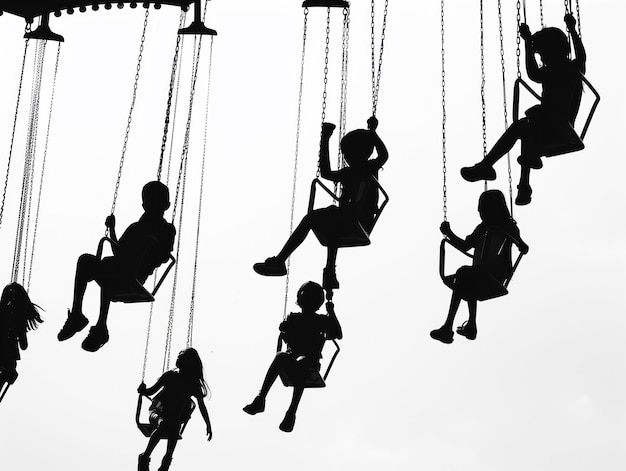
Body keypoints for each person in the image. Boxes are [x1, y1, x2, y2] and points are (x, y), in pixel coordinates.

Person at [461, 14, 586, 205]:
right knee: (525, 128)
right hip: (548, 125)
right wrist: (528, 43)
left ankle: (489, 167)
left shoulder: (571, 68)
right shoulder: (552, 71)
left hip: (559, 125)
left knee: (529, 121)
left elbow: (576, 58)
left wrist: (572, 30)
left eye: (543, 53)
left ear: (555, 50)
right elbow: (534, 74)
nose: (542, 58)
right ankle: (523, 185)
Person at [253, 116, 388, 290]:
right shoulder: (348, 172)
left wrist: (372, 133)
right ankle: (330, 272)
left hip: (359, 218)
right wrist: (325, 139)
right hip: (350, 218)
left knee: (312, 218)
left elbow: (383, 155)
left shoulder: (369, 167)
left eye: (348, 153)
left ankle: (280, 261)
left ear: (361, 152)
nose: (346, 157)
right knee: (333, 228)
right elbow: (326, 173)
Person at [58, 181, 176, 352]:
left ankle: (101, 325)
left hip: (135, 277)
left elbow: (165, 255)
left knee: (111, 267)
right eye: (150, 203)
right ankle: (77, 314)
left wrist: (152, 247)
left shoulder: (166, 229)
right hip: (120, 270)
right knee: (86, 261)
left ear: (166, 205)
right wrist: (112, 229)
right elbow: (118, 250)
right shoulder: (136, 228)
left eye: (156, 202)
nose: (152, 206)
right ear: (144, 205)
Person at [430, 190, 529, 344]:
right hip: (483, 274)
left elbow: (521, 244)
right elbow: (466, 246)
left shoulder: (506, 226)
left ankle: (450, 326)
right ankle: (469, 325)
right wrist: (448, 233)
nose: (480, 212)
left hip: (494, 275)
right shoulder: (484, 227)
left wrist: (520, 244)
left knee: (464, 274)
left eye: (482, 208)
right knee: (467, 280)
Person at [243, 281, 342, 432]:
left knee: (303, 363)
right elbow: (288, 339)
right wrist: (285, 330)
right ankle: (260, 399)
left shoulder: (321, 321)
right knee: (281, 357)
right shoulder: (294, 318)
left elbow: (337, 334)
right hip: (292, 359)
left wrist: (331, 312)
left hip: (309, 362)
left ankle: (291, 413)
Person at [137, 347, 212, 471]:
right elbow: (151, 391)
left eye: (181, 355)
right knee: (164, 425)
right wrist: (143, 390)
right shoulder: (170, 376)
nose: (178, 356)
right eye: (178, 354)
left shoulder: (192, 384)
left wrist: (208, 424)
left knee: (174, 431)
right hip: (157, 413)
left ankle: (165, 465)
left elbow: (202, 406)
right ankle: (144, 458)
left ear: (188, 362)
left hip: (175, 419)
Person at [0, 282, 42, 394]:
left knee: (7, 372)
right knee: (7, 373)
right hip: (8, 359)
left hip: (6, 359)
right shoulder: (18, 319)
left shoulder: (2, 311)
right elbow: (24, 346)